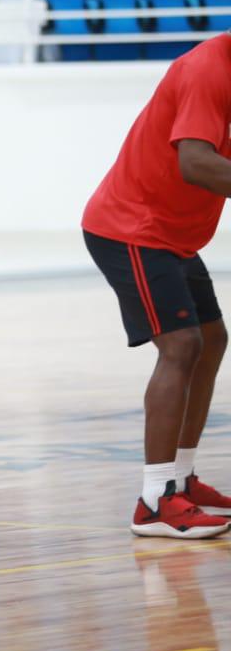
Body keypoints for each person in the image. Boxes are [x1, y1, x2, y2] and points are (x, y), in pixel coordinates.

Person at [83, 35, 231, 539]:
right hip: (132, 229)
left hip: (173, 236)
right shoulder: (207, 71)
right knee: (182, 345)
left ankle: (183, 479)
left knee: (212, 339)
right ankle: (155, 500)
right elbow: (197, 162)